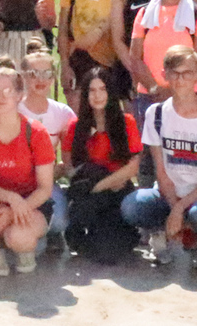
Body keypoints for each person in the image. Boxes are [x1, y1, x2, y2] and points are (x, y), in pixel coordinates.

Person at [121, 45, 197, 269]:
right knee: (132, 206)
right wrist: (175, 207)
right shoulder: (156, 114)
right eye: (175, 73)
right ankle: (161, 230)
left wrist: (179, 208)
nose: (181, 80)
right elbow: (161, 171)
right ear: (164, 75)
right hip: (168, 193)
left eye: (187, 73)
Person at [0, 59, 56, 276]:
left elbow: (45, 188)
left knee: (18, 237)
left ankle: (25, 248)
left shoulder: (36, 133)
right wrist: (10, 198)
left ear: (19, 95)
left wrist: (14, 209)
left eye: (7, 91)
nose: (0, 96)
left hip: (30, 203)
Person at [60, 67, 142, 262]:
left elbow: (133, 167)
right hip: (87, 194)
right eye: (92, 90)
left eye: (102, 89)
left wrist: (99, 186)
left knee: (110, 252)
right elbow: (70, 167)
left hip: (115, 191)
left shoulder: (126, 122)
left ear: (110, 92)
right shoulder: (75, 127)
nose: (97, 96)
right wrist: (92, 184)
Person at [128, 0, 197, 134]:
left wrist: (176, 90)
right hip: (149, 98)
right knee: (150, 150)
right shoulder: (143, 14)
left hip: (186, 97)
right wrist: (155, 89)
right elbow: (135, 58)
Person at [58, 0, 125, 110]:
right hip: (76, 59)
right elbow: (63, 29)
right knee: (78, 115)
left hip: (106, 61)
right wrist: (64, 65)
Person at [18, 45, 74, 246]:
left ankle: (49, 234)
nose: (40, 80)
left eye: (47, 74)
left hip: (46, 183)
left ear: (53, 77)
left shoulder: (63, 113)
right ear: (23, 77)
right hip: (14, 184)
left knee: (59, 222)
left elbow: (72, 157)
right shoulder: (11, 109)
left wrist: (58, 170)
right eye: (34, 74)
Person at [109, 0, 162, 135]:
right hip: (129, 74)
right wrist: (135, 71)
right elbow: (118, 39)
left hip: (160, 72)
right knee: (136, 133)